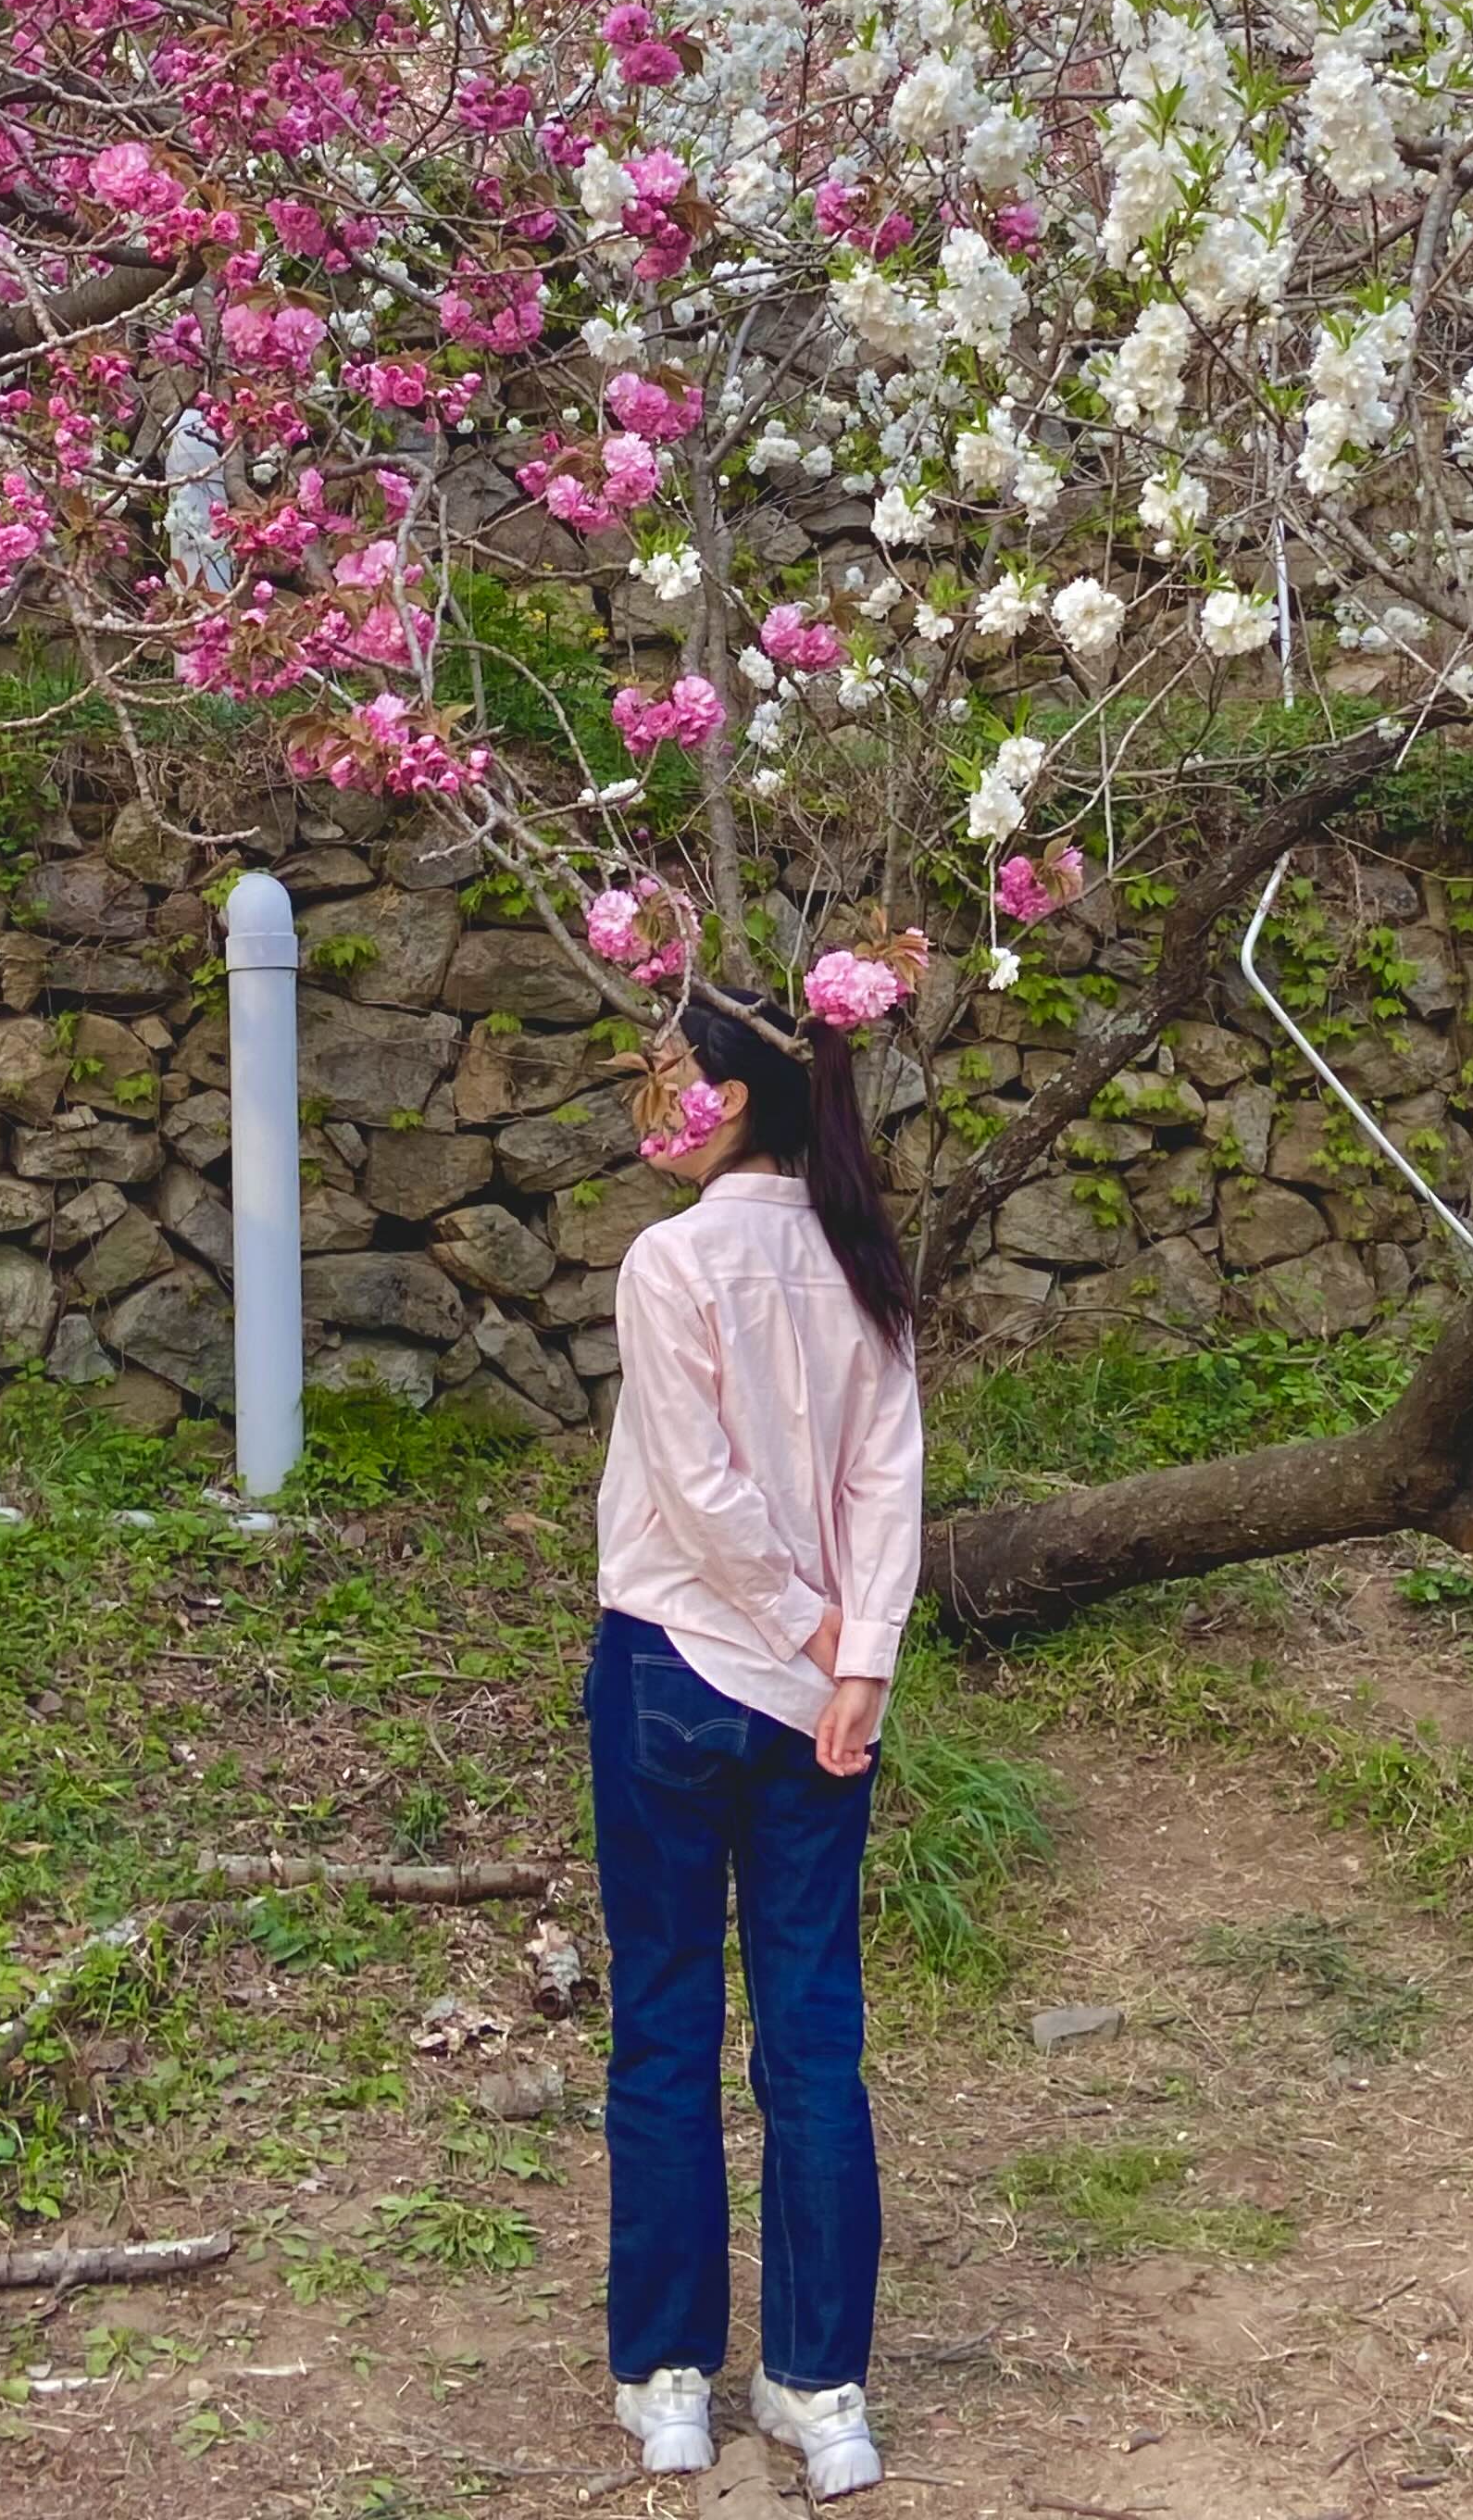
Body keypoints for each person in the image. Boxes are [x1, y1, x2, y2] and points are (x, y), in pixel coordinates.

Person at [586, 986, 923, 2503]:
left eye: (662, 1080)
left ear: (723, 1098)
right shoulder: (859, 1262)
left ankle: (669, 2381)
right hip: (820, 1706)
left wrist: (801, 1638)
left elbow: (699, 1486)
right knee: (813, 2035)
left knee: (665, 2021)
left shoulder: (671, 1262)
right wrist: (856, 1662)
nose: (646, 1103)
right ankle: (819, 2386)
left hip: (674, 1666)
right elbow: (886, 1483)